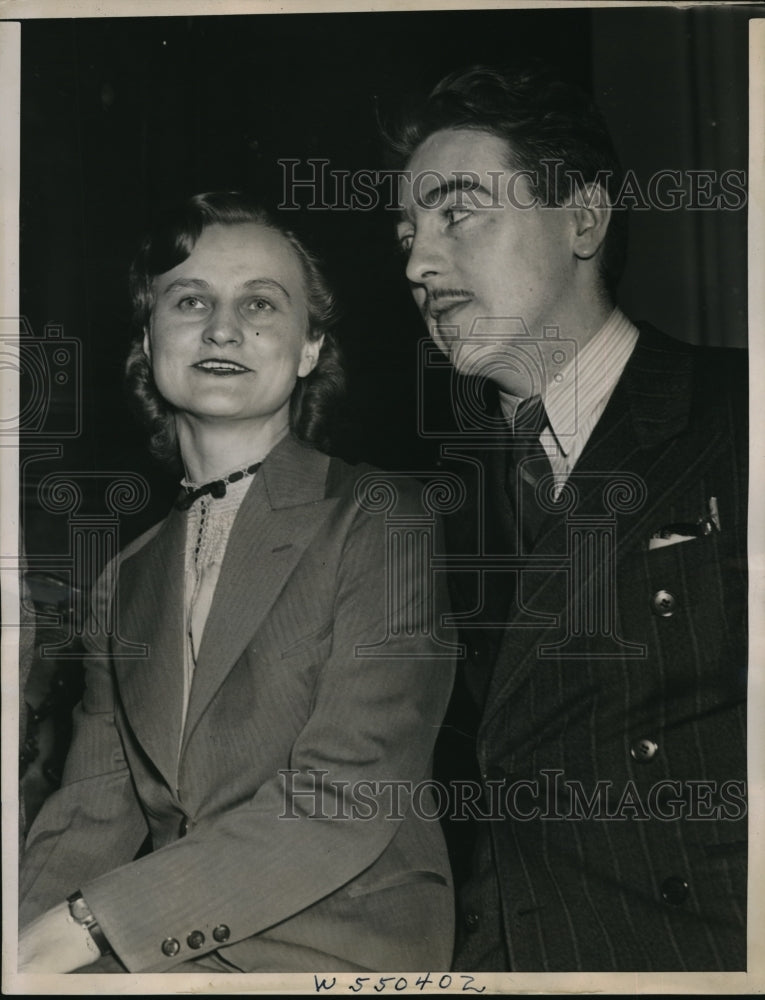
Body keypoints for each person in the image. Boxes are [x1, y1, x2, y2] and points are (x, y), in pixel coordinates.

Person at [18, 192, 456, 974]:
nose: (223, 328)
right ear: (147, 339)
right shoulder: (123, 581)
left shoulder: (377, 518)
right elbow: (88, 816)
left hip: (335, 950)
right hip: (163, 953)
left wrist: (90, 922)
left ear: (309, 348)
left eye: (260, 303)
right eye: (189, 300)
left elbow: (348, 796)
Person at [389, 63, 748, 971]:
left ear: (582, 219)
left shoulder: (736, 414)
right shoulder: (433, 511)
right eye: (406, 233)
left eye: (458, 212)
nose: (418, 264)